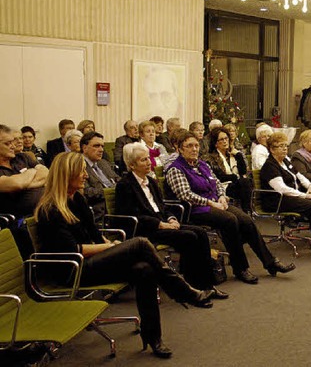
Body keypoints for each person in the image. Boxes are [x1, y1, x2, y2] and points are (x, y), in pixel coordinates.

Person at [35, 152, 219, 359]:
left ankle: (153, 337)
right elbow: (74, 250)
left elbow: (94, 236)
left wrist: (107, 244)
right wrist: (111, 247)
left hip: (90, 261)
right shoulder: (50, 209)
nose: (86, 175)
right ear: (67, 175)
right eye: (82, 171)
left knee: (145, 269)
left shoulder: (76, 198)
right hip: (72, 270)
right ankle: (184, 291)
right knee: (140, 243)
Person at [165, 130, 295, 284]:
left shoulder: (202, 164)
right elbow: (185, 194)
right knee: (230, 220)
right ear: (180, 149)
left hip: (216, 203)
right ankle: (240, 268)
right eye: (189, 146)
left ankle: (270, 262)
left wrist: (221, 196)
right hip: (194, 209)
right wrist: (211, 202)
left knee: (246, 220)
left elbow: (217, 183)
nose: (194, 149)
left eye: (196, 145)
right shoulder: (175, 169)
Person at [116, 143, 229, 297]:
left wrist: (171, 218)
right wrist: (159, 224)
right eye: (143, 160)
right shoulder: (125, 185)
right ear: (132, 165)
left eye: (148, 158)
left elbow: (163, 206)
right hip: (145, 228)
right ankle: (191, 288)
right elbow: (129, 215)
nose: (149, 162)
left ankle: (208, 284)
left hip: (163, 223)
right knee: (188, 237)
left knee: (201, 233)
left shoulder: (151, 181)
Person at [260, 132, 311, 263]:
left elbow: (300, 176)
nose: (284, 148)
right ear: (272, 149)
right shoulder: (269, 166)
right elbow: (282, 189)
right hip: (277, 200)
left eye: (286, 146)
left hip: (291, 197)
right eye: (280, 146)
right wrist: (305, 195)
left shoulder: (286, 161)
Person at [0, 124, 48, 258]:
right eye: (8, 143)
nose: (13, 146)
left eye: (13, 142)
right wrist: (33, 171)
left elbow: (46, 173)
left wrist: (25, 183)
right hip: (16, 222)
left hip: (40, 214)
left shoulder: (22, 157)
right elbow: (15, 183)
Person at [203, 127, 252, 212]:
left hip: (235, 185)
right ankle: (247, 211)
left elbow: (243, 171)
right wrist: (235, 177)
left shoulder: (233, 155)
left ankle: (246, 211)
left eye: (226, 138)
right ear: (215, 143)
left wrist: (239, 156)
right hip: (222, 186)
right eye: (221, 139)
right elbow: (220, 177)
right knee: (244, 182)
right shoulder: (211, 158)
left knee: (246, 181)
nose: (225, 141)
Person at [81, 132, 119, 222]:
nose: (101, 150)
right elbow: (87, 192)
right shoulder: (79, 165)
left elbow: (118, 179)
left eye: (102, 146)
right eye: (96, 146)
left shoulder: (103, 162)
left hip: (116, 204)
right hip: (100, 210)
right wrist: (111, 191)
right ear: (84, 148)